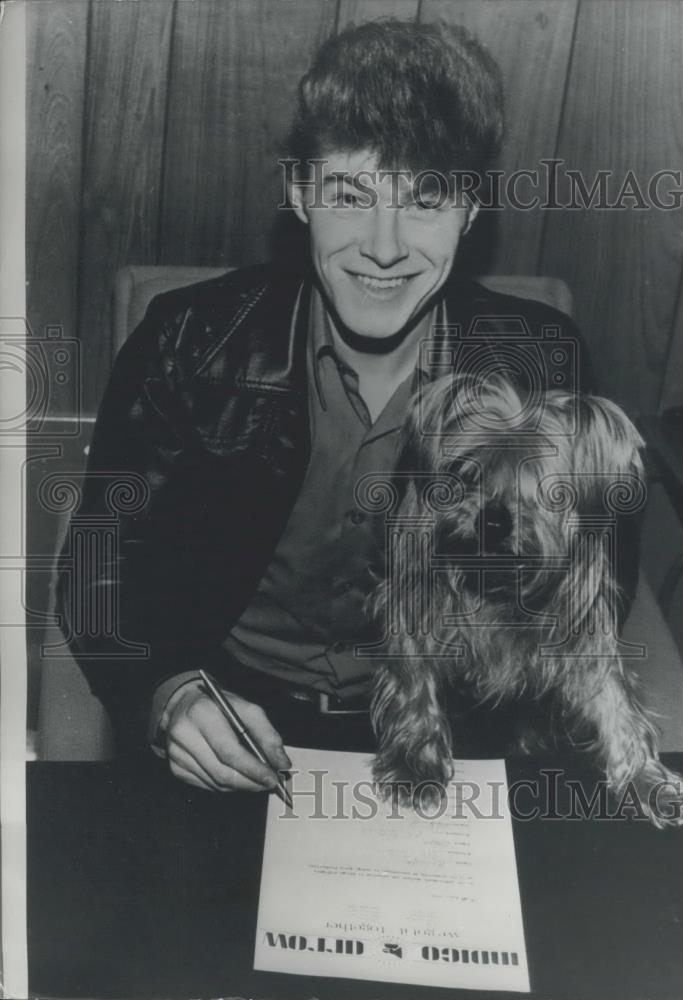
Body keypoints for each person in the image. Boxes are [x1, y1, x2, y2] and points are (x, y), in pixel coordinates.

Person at [58, 19, 647, 794]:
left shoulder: (542, 361)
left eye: (426, 199)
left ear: (471, 212)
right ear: (297, 192)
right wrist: (166, 693)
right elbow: (98, 572)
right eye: (350, 192)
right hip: (236, 719)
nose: (384, 245)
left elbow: (599, 580)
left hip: (452, 725)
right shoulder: (188, 341)